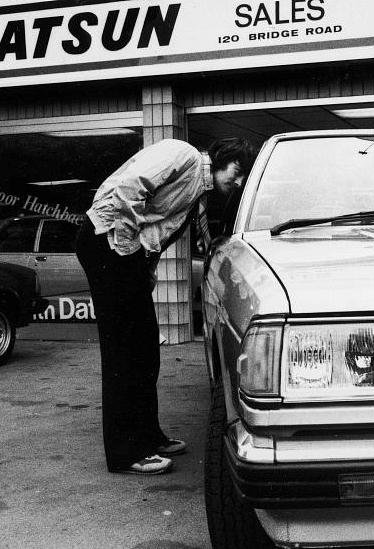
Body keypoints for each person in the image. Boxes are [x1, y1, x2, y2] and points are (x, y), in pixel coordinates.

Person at [75, 138, 256, 475]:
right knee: (123, 353)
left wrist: (143, 269)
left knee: (145, 348)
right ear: (223, 159)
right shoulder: (183, 154)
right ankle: (124, 452)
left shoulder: (197, 193)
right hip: (107, 244)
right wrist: (128, 254)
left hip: (124, 254)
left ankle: (148, 436)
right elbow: (129, 188)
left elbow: (159, 231)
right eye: (238, 170)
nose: (239, 181)